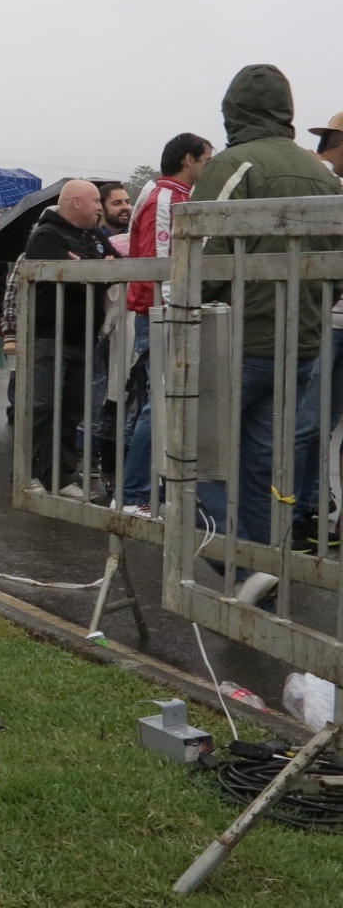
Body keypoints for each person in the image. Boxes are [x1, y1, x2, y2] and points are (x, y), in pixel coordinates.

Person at [193, 65, 342, 591]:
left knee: (181, 456)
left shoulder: (234, 163)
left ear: (233, 110)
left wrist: (185, 309)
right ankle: (259, 574)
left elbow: (201, 251)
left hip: (238, 339)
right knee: (259, 465)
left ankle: (240, 568)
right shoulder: (322, 174)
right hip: (303, 342)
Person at [118, 132, 214, 517]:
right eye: (207, 159)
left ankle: (150, 488)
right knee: (159, 405)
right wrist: (179, 308)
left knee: (167, 404)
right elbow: (163, 263)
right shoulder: (165, 197)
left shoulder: (179, 197)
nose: (210, 167)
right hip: (162, 313)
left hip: (169, 311)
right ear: (189, 159)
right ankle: (133, 494)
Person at [20, 180, 117, 498]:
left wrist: (87, 268)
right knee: (43, 406)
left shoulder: (96, 236)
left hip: (83, 337)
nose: (100, 207)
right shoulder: (45, 235)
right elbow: (74, 279)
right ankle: (29, 473)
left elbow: (115, 267)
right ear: (76, 202)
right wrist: (95, 271)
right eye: (96, 201)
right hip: (49, 337)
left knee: (71, 410)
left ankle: (60, 477)